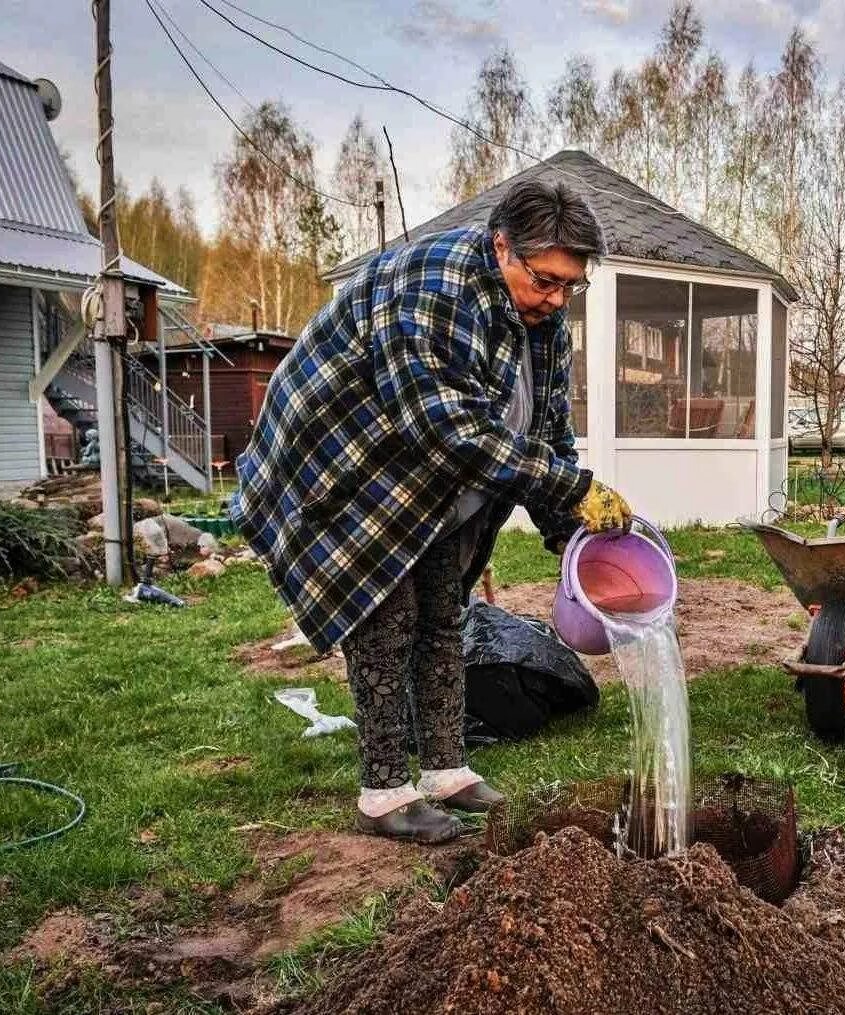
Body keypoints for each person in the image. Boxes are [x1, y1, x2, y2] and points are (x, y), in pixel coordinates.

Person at [233, 179, 632, 843]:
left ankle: (444, 769)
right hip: (350, 462)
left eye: (571, 285)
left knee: (444, 612)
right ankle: (383, 790)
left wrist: (571, 531)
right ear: (501, 245)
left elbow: (547, 430)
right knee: (387, 618)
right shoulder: (434, 287)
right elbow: (447, 430)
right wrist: (566, 485)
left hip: (435, 478)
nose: (558, 298)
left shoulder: (544, 321)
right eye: (546, 280)